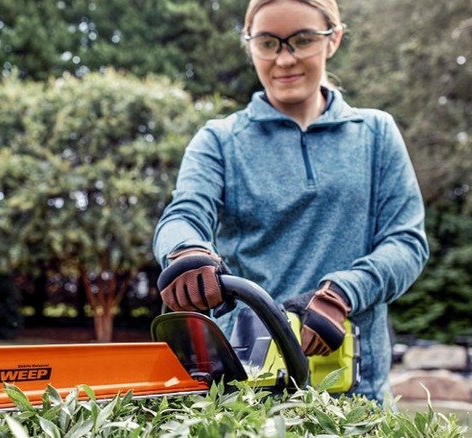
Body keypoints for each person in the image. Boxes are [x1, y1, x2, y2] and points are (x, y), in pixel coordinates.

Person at [152, 0, 429, 404]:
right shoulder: (220, 140)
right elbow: (184, 214)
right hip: (247, 390)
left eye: (302, 40)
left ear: (333, 39)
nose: (284, 59)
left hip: (356, 393)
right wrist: (186, 250)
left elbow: (407, 243)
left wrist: (344, 292)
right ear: (249, 45)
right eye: (267, 43)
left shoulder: (375, 134)